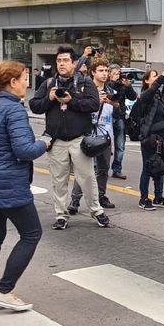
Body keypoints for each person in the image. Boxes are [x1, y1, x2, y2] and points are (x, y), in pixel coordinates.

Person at [0, 61, 51, 312]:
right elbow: (24, 150)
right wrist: (44, 143)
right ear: (13, 82)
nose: (27, 84)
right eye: (25, 78)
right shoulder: (13, 110)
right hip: (10, 184)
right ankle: (4, 290)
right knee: (32, 234)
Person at [29, 46, 110, 230]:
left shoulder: (84, 81)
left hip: (79, 139)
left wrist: (70, 101)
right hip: (56, 140)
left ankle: (96, 211)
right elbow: (34, 105)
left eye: (65, 60)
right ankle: (61, 215)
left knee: (87, 177)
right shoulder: (49, 83)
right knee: (59, 181)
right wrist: (49, 99)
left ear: (74, 63)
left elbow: (94, 104)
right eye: (59, 61)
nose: (62, 64)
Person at [69, 58, 119, 212]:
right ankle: (75, 200)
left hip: (105, 135)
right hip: (88, 135)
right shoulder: (86, 91)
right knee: (84, 170)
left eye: (106, 71)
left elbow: (118, 113)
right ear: (93, 72)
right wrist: (97, 100)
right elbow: (80, 109)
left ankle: (101, 196)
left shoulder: (111, 91)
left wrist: (114, 104)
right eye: (101, 71)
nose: (104, 74)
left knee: (103, 169)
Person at [133, 64, 164, 210]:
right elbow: (154, 88)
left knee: (160, 168)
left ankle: (158, 197)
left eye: (157, 76)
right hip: (150, 138)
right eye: (154, 76)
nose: (157, 78)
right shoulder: (146, 96)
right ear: (147, 81)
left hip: (163, 137)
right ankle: (143, 198)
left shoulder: (159, 95)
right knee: (148, 168)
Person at [109, 64, 138, 179]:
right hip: (106, 116)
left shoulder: (123, 84)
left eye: (118, 73)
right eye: (115, 73)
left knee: (120, 145)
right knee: (103, 144)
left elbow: (132, 97)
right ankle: (99, 168)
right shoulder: (106, 83)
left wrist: (128, 86)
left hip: (119, 116)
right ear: (109, 73)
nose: (118, 75)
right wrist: (112, 82)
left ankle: (117, 169)